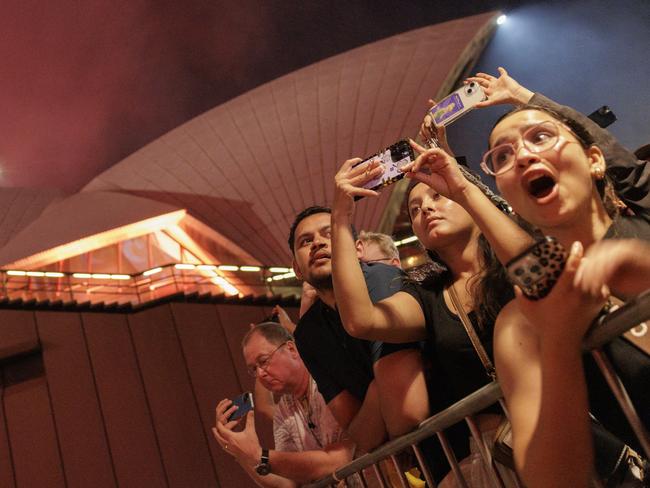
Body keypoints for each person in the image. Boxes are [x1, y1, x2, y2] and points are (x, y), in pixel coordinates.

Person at [330, 132, 532, 483]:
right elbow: (361, 320)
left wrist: (465, 188)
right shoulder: (428, 295)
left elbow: (539, 272)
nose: (425, 208)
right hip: (498, 457)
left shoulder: (513, 255)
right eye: (414, 208)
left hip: (564, 417)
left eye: (438, 195)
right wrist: (340, 219)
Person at [288, 206, 430, 452]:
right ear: (297, 269)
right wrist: (380, 387)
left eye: (329, 234)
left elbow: (407, 412)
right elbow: (359, 437)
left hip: (460, 437)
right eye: (305, 241)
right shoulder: (307, 333)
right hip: (419, 460)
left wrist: (377, 393)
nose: (317, 244)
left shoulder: (382, 279)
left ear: (358, 249)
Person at [212, 322, 355, 487]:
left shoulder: (328, 378)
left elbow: (341, 459)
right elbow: (288, 483)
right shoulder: (283, 410)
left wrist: (260, 455)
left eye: (264, 361)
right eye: (253, 368)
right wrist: (242, 454)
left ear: (291, 349)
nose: (260, 374)